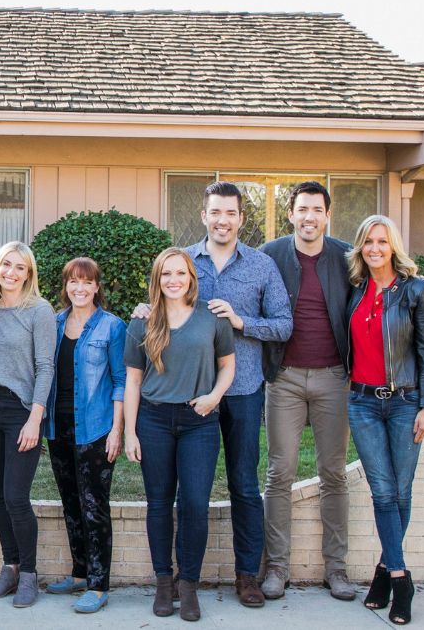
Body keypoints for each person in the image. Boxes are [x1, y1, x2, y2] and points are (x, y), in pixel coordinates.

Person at [137, 182, 291, 606]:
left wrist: (242, 322)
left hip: (241, 391)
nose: (222, 220)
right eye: (215, 212)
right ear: (204, 216)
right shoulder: (184, 262)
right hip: (191, 399)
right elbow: (162, 304)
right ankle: (183, 581)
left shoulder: (260, 266)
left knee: (243, 483)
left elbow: (284, 324)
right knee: (189, 492)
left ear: (242, 218)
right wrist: (142, 310)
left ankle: (246, 575)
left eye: (231, 213)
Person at [124, 247, 235, 622]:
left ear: (191, 277)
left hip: (199, 421)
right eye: (166, 274)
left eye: (181, 273)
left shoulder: (212, 318)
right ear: (157, 279)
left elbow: (228, 367)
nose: (174, 280)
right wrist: (129, 433)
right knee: (158, 504)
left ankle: (188, 584)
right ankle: (162, 582)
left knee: (194, 505)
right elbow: (133, 381)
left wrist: (214, 397)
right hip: (153, 422)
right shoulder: (142, 322)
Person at [258, 182, 355, 601]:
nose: (309, 216)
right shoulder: (271, 255)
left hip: (335, 377)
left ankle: (337, 568)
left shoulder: (346, 256)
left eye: (317, 209)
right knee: (280, 472)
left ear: (327, 215)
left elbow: (384, 283)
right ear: (291, 214)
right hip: (285, 378)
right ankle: (276, 566)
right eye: (302, 209)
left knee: (334, 474)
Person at [346, 215, 424, 626]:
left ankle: (386, 573)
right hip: (362, 403)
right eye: (369, 241)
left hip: (405, 403)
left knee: (401, 491)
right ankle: (401, 578)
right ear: (361, 247)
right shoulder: (356, 290)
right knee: (383, 491)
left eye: (382, 241)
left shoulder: (418, 289)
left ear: (393, 245)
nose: (375, 248)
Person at [42, 257, 126, 614]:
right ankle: (78, 573)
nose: (79, 288)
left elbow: (122, 380)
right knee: (71, 502)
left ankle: (98, 584)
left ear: (96, 287)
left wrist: (117, 431)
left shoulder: (112, 327)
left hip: (95, 427)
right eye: (73, 282)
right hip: (58, 427)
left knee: (94, 506)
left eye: (86, 282)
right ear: (66, 286)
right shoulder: (55, 323)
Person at [0, 241, 55, 609]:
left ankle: (29, 575)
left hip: (20, 409)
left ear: (29, 274)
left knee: (16, 497)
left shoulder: (39, 311)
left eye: (20, 268)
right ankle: (10, 567)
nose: (11, 272)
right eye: (6, 265)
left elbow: (46, 367)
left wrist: (35, 418)